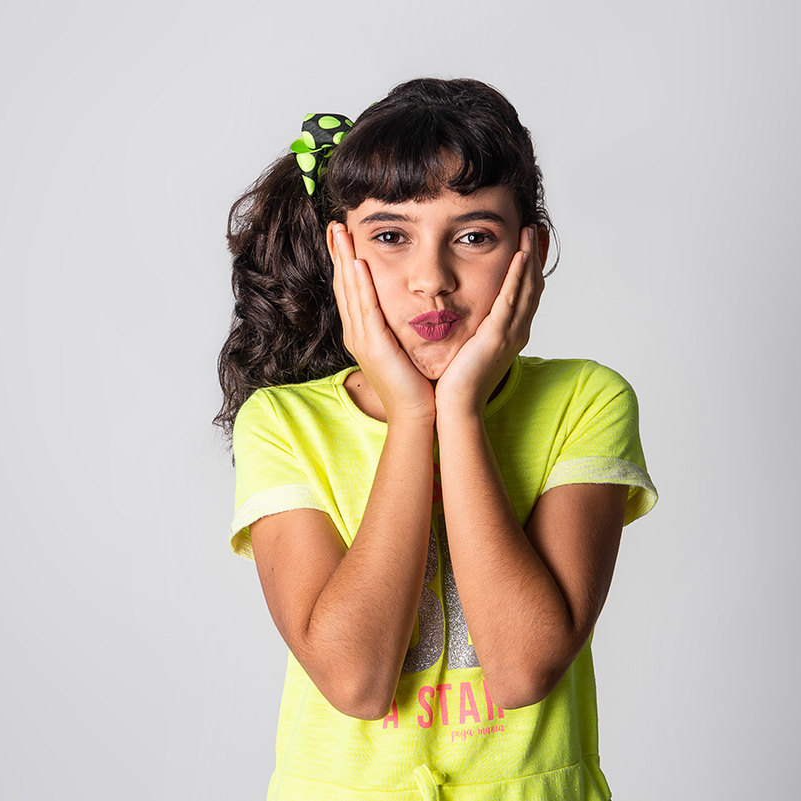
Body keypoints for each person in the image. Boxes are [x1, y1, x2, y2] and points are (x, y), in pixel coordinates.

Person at [217, 78, 658, 801]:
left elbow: (523, 670)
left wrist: (459, 410)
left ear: (529, 249)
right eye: (392, 236)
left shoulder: (586, 400)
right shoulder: (283, 423)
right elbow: (356, 682)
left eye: (474, 236)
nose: (432, 280)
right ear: (340, 250)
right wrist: (411, 416)